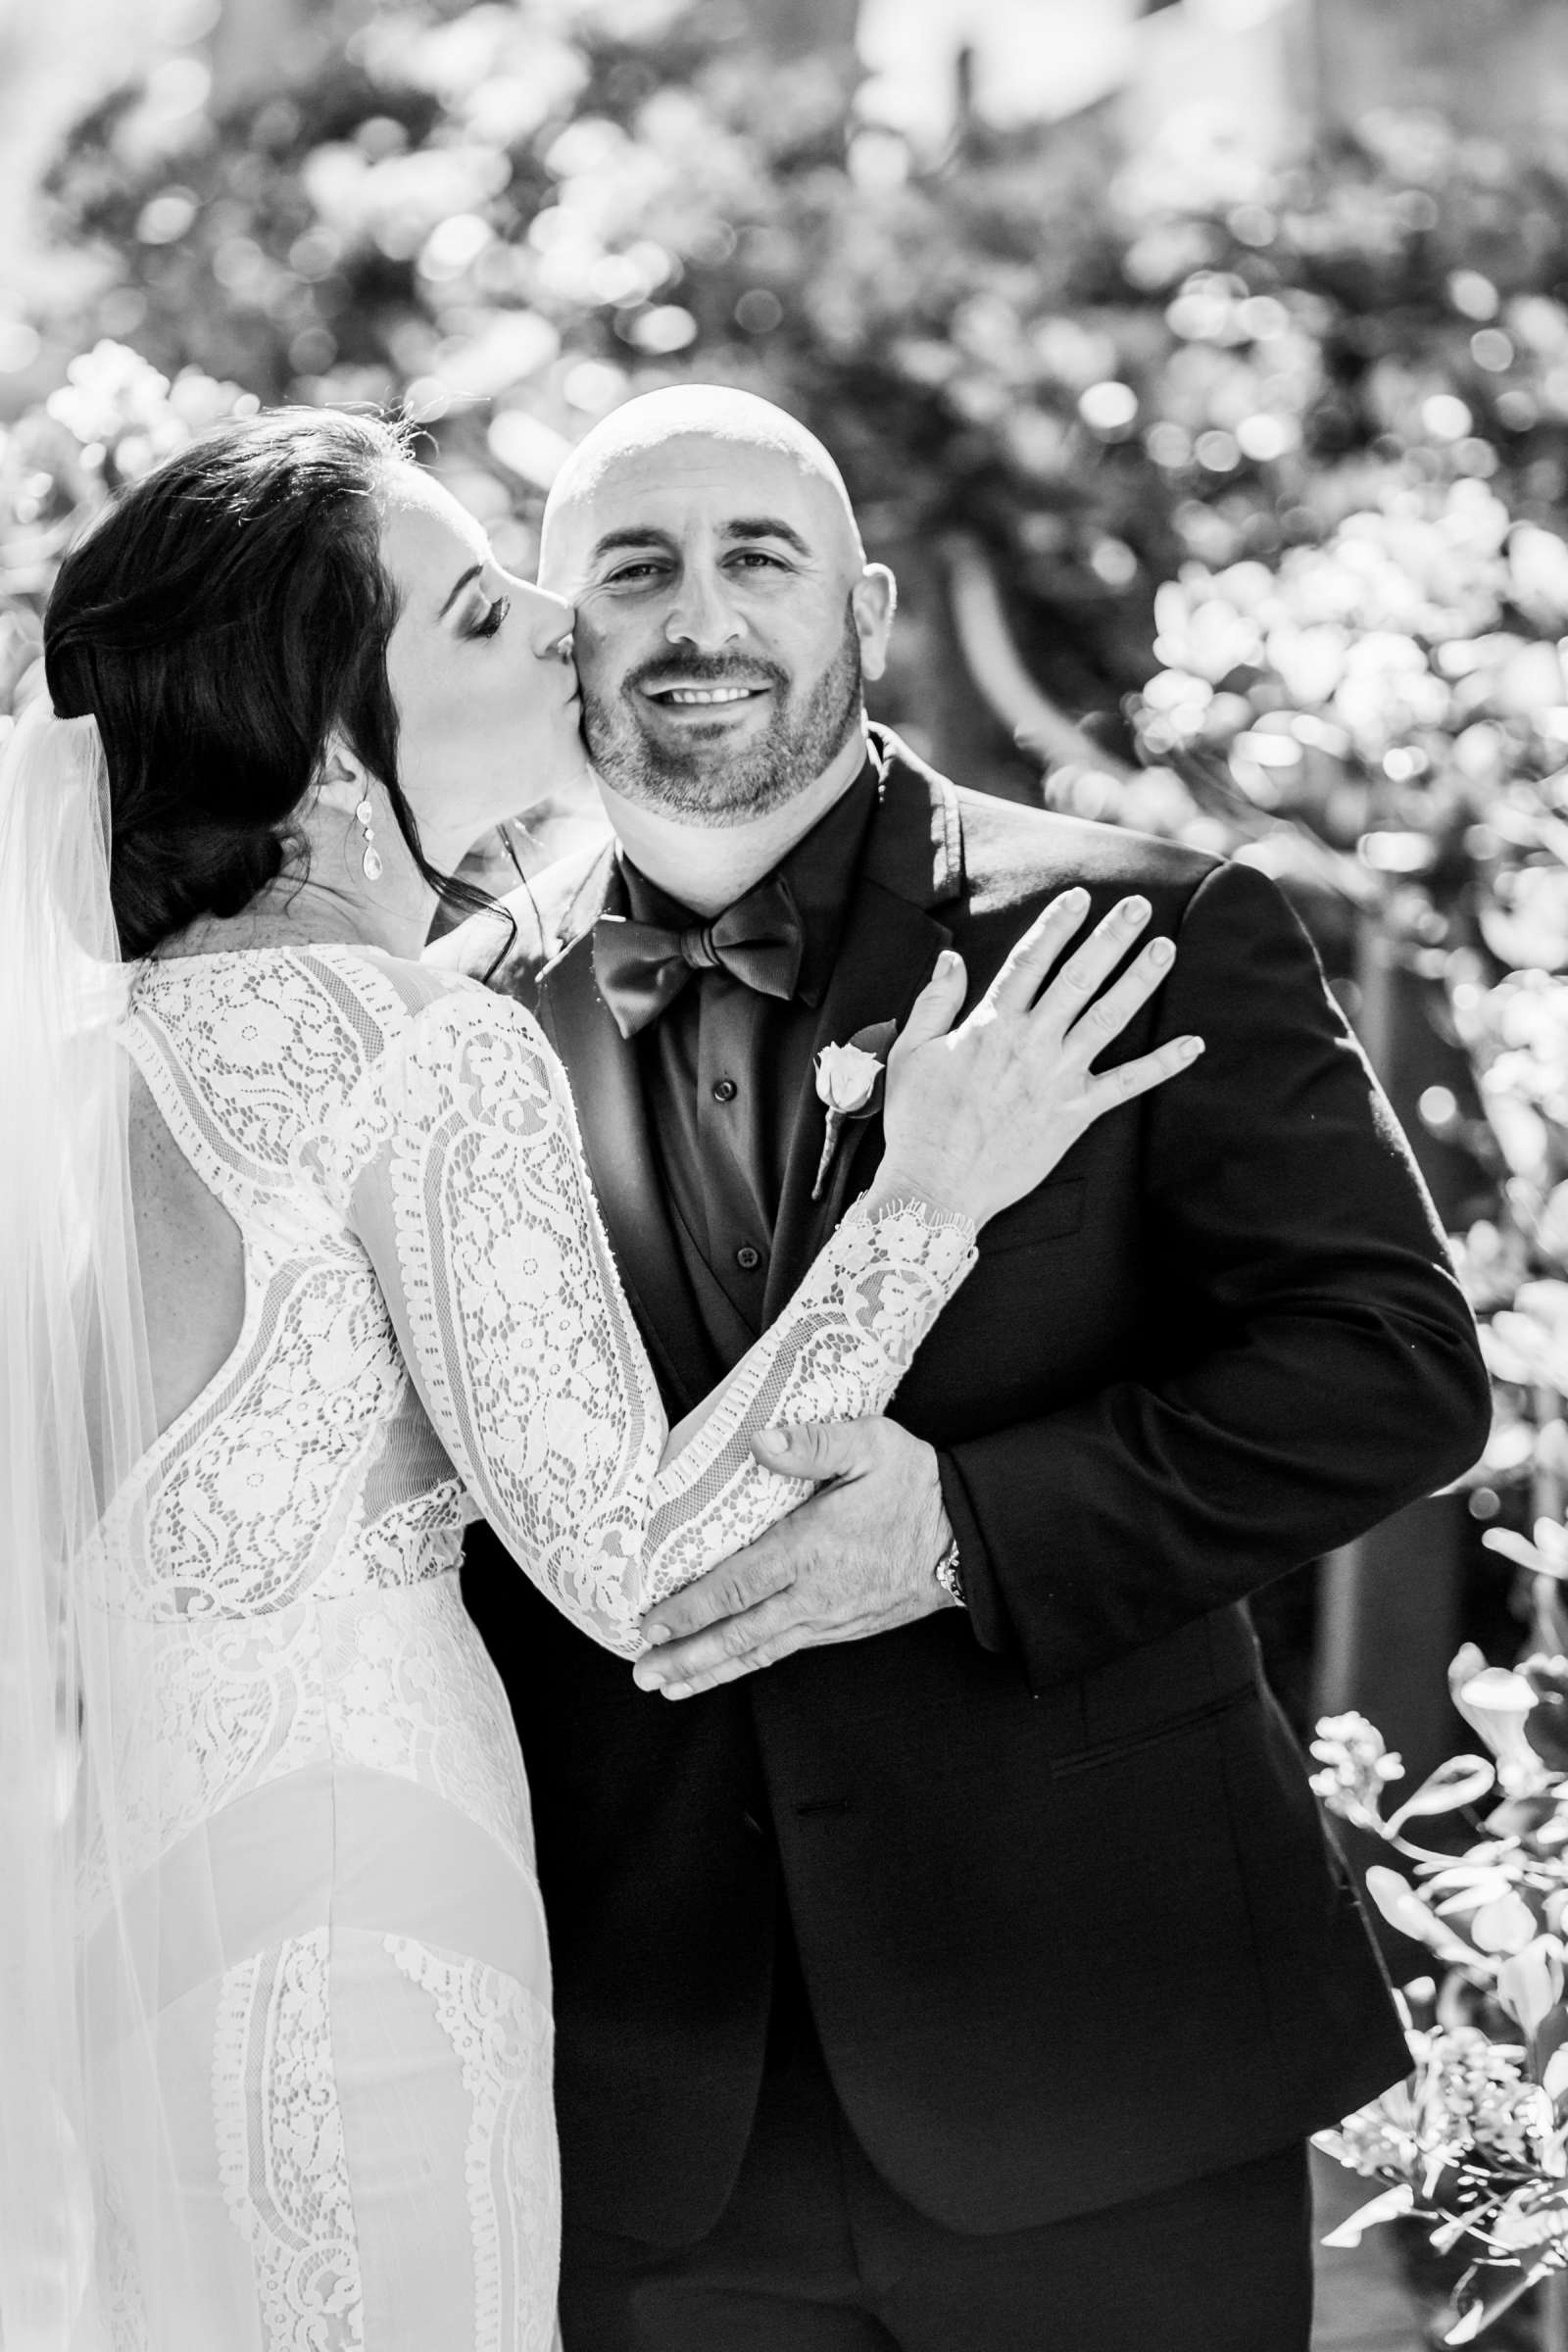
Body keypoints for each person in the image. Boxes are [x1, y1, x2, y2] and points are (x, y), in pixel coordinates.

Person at [0, 407, 1201, 2352]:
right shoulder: (422, 1052)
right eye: (485, 611)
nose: (568, 621)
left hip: (136, 1963)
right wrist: (929, 1197)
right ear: (328, 740)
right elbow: (640, 1568)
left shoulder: (77, 1079)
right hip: (373, 1953)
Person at [438, 385, 1494, 2352]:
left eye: (755, 557)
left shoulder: (1142, 928)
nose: (697, 617)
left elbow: (1391, 1375)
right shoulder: (459, 1020)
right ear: (560, 626)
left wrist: (961, 1535)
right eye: (631, 569)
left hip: (1101, 2061)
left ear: (866, 604)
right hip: (651, 2117)